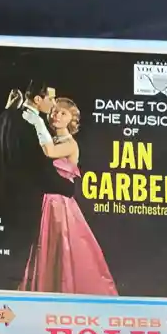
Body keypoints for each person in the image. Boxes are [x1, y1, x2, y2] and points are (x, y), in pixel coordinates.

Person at [19, 98, 117, 294]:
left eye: (63, 113)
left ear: (72, 119)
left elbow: (49, 151)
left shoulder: (71, 144)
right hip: (46, 203)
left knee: (63, 250)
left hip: (60, 206)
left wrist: (37, 122)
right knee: (45, 249)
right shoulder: (50, 138)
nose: (57, 115)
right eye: (55, 111)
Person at [0, 84, 78, 287]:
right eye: (52, 103)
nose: (54, 110)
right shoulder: (32, 124)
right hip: (33, 201)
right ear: (38, 99)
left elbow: (45, 157)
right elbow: (41, 164)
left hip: (47, 202)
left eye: (62, 112)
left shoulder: (13, 117)